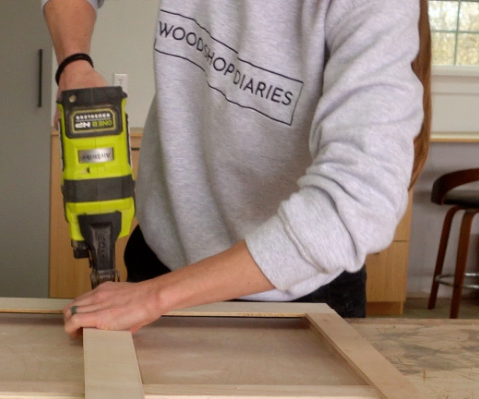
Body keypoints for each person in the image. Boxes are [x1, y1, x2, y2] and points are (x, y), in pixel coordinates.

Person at [43, 0, 431, 335]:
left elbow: (358, 204)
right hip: (159, 259)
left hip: (296, 296)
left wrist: (156, 297)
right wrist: (74, 64)